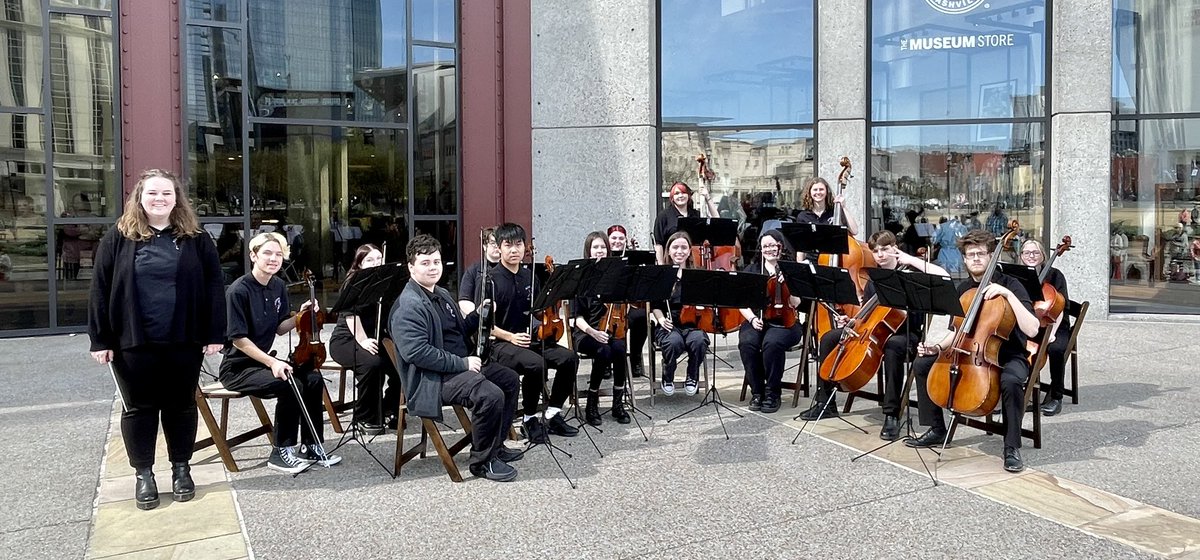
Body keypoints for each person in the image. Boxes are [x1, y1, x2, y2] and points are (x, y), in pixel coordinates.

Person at [87, 169, 225, 510]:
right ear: (139, 198)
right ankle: (144, 475)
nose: (159, 199)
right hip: (132, 341)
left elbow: (213, 287)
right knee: (139, 409)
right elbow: (100, 289)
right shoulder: (119, 237)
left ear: (176, 198)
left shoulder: (196, 237)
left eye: (166, 193)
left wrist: (214, 333)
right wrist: (99, 339)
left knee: (180, 406)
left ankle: (181, 469)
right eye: (152, 193)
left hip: (184, 339)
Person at [388, 235, 523, 482]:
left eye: (436, 262)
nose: (433, 267)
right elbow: (417, 353)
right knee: (490, 395)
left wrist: (479, 314)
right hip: (430, 380)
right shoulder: (408, 306)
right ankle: (483, 463)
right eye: (425, 263)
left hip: (458, 368)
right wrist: (462, 363)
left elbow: (458, 330)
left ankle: (496, 447)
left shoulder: (440, 293)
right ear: (411, 267)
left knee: (509, 379)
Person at [905, 229, 1040, 473]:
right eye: (970, 255)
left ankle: (1011, 447)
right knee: (923, 364)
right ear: (964, 260)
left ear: (991, 256)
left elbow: (1032, 329)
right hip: (971, 352)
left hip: (1009, 355)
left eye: (981, 254)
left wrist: (1008, 295)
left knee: (1011, 381)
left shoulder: (1012, 284)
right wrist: (936, 347)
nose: (976, 258)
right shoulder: (964, 288)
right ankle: (936, 429)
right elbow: (956, 331)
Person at [801, 231, 950, 439]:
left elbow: (943, 275)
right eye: (876, 251)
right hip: (873, 331)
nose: (880, 255)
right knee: (829, 338)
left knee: (893, 346)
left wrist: (911, 260)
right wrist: (853, 321)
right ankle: (825, 402)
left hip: (907, 334)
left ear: (894, 248)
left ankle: (892, 414)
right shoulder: (873, 280)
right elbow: (867, 314)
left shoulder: (910, 274)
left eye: (885, 249)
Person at [219, 231, 341, 474]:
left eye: (278, 254)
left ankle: (312, 445)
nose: (273, 258)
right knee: (289, 382)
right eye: (267, 253)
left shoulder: (278, 286)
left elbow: (280, 328)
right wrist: (272, 362)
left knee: (314, 379)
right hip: (238, 367)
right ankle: (281, 451)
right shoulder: (238, 291)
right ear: (253, 256)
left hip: (264, 363)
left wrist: (300, 316)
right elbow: (239, 340)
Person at [485, 223, 580, 443]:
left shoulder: (530, 277)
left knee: (569, 359)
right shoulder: (490, 280)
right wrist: (510, 337)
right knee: (535, 363)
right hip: (500, 343)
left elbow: (537, 313)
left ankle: (553, 412)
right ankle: (529, 418)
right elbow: (484, 325)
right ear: (499, 248)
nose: (514, 249)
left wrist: (549, 312)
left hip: (529, 339)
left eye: (518, 244)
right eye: (508, 245)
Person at [329, 244, 401, 434]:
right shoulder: (354, 282)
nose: (376, 263)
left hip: (375, 337)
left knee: (400, 362)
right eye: (370, 260)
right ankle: (363, 416)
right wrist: (363, 340)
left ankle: (388, 408)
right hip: (348, 339)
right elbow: (351, 315)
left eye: (379, 259)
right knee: (372, 363)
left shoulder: (387, 282)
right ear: (359, 264)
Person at [737, 230, 803, 413]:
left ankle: (773, 392)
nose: (770, 249)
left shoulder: (791, 269)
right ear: (761, 248)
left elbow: (797, 303)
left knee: (772, 343)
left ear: (781, 247)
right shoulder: (752, 270)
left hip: (786, 321)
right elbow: (741, 302)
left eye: (773, 245)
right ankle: (757, 391)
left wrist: (789, 283)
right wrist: (751, 318)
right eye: (765, 246)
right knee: (747, 343)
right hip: (757, 320)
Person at [571, 232, 631, 426]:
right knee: (603, 350)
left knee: (620, 348)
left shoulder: (615, 276)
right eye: (595, 247)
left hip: (609, 330)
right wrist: (592, 332)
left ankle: (617, 403)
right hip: (585, 332)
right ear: (589, 251)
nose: (600, 251)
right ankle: (592, 402)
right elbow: (576, 318)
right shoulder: (580, 278)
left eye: (603, 247)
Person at [650, 231, 709, 396]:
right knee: (674, 342)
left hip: (692, 325)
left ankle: (692, 375)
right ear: (668, 250)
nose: (679, 251)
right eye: (675, 247)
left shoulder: (697, 275)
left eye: (684, 247)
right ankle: (668, 375)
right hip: (669, 324)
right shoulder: (662, 276)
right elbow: (655, 305)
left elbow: (705, 302)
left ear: (690, 251)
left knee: (698, 340)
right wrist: (661, 320)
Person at [1018, 239, 1072, 416]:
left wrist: (1052, 334)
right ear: (1021, 256)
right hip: (1030, 324)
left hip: (1055, 324)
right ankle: (1019, 392)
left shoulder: (1055, 276)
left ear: (1043, 255)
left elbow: (1061, 308)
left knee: (1056, 349)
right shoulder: (1019, 276)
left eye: (1035, 252)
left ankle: (1056, 396)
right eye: (1027, 252)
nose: (1031, 256)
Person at [607, 224, 648, 378]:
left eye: (621, 238)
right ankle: (607, 360)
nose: (617, 241)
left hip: (628, 303)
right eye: (614, 238)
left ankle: (635, 357)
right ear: (608, 240)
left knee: (642, 317)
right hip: (608, 306)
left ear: (626, 240)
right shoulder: (604, 256)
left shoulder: (631, 258)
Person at [652, 181, 719, 265]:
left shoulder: (696, 215)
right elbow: (658, 244)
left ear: (689, 195)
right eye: (676, 193)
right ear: (672, 198)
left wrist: (708, 198)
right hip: (670, 261)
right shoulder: (663, 216)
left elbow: (717, 223)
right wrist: (661, 265)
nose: (680, 196)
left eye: (683, 192)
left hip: (693, 262)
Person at [794, 176, 860, 261]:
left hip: (833, 260)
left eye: (821, 189)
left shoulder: (836, 212)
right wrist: (800, 265)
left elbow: (854, 231)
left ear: (826, 192)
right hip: (812, 260)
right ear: (809, 192)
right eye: (815, 190)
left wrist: (843, 207)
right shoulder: (803, 216)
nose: (818, 192)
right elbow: (801, 246)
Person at [458, 226, 500, 317]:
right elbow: (464, 299)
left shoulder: (509, 270)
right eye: (493, 243)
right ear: (484, 246)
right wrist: (478, 315)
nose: (497, 246)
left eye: (499, 242)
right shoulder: (473, 270)